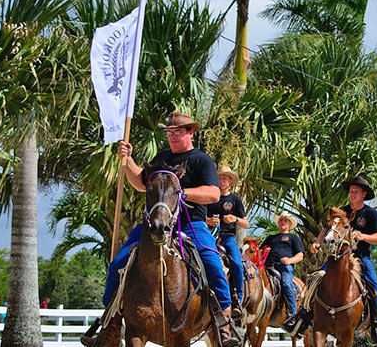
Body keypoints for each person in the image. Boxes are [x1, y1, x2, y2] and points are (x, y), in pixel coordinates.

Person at [80, 112, 239, 347]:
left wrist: (182, 193)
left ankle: (223, 322)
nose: (173, 137)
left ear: (190, 133)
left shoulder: (201, 160)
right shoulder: (162, 158)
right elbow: (141, 184)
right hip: (152, 223)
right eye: (170, 133)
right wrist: (127, 161)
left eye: (178, 132)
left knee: (213, 263)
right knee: (118, 264)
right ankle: (110, 323)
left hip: (190, 223)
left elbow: (213, 193)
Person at [294, 176, 377, 344]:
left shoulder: (370, 213)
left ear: (363, 194)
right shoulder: (342, 212)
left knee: (376, 289)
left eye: (356, 192)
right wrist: (318, 242)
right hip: (337, 258)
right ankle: (302, 317)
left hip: (361, 259)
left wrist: (363, 236)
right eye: (350, 191)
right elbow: (327, 228)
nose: (352, 194)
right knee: (314, 280)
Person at [207, 166, 250, 317]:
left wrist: (235, 219)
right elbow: (199, 217)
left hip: (228, 237)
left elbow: (246, 223)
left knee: (237, 264)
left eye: (225, 178)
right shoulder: (210, 198)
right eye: (220, 178)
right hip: (210, 237)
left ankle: (237, 298)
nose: (222, 181)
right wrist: (208, 220)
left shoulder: (235, 200)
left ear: (230, 181)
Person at [262, 212, 306, 330]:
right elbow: (259, 251)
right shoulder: (270, 238)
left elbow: (300, 255)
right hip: (268, 266)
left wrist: (290, 260)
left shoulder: (293, 238)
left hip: (284, 267)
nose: (282, 222)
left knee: (286, 284)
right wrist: (265, 251)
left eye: (285, 220)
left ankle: (292, 313)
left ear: (290, 224)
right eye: (281, 220)